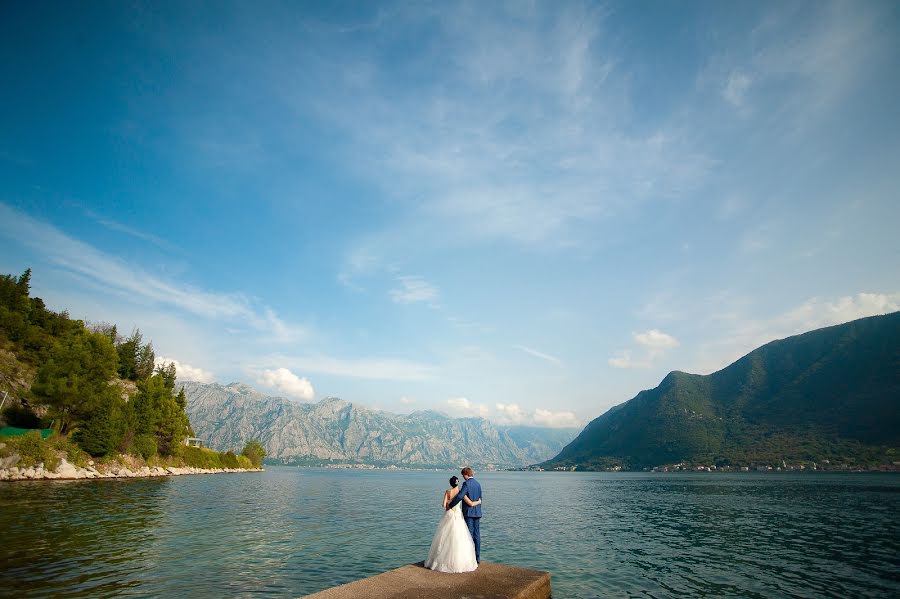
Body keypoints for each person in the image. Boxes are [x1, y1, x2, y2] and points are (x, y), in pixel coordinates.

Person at [424, 475, 482, 573]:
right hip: (458, 517)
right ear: (458, 483)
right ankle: (459, 562)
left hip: (449, 515)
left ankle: (441, 561)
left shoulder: (447, 492)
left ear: (450, 483)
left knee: (444, 537)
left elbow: (443, 505)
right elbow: (471, 504)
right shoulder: (461, 493)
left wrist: (448, 503)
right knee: (459, 538)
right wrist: (479, 501)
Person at [447, 466, 482, 564]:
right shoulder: (478, 484)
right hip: (477, 512)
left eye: (463, 475)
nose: (463, 477)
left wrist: (451, 505)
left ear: (465, 474)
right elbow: (480, 498)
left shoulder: (466, 484)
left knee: (469, 535)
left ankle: (469, 558)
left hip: (469, 513)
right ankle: (477, 558)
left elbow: (461, 496)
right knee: (477, 535)